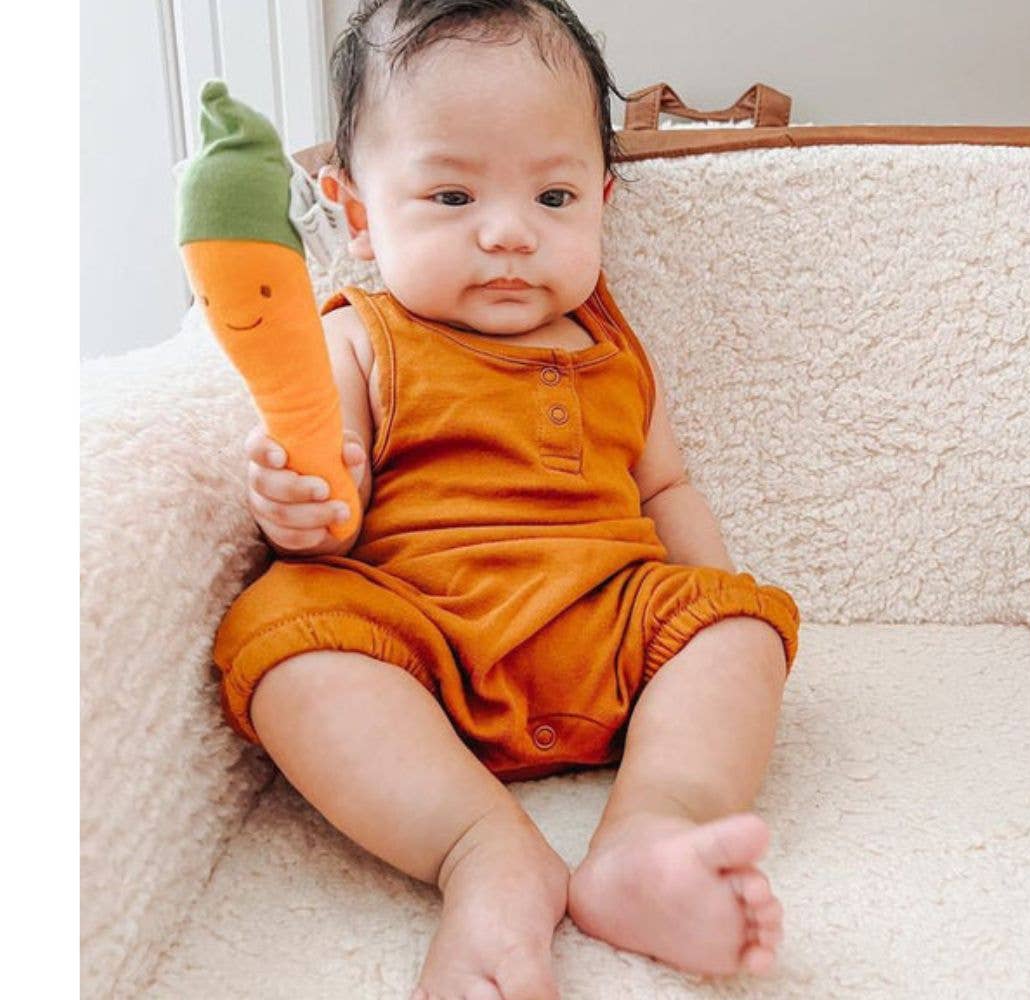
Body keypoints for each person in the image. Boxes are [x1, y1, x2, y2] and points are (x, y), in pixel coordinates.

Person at [214, 2, 801, 996]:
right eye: (449, 196)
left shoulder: (611, 344)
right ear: (355, 210)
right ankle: (481, 849)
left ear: (604, 199)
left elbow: (665, 486)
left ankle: (649, 831)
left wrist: (713, 609)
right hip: (421, 641)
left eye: (556, 198)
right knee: (285, 634)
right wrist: (302, 504)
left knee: (744, 630)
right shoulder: (359, 335)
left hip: (606, 625)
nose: (507, 234)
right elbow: (324, 476)